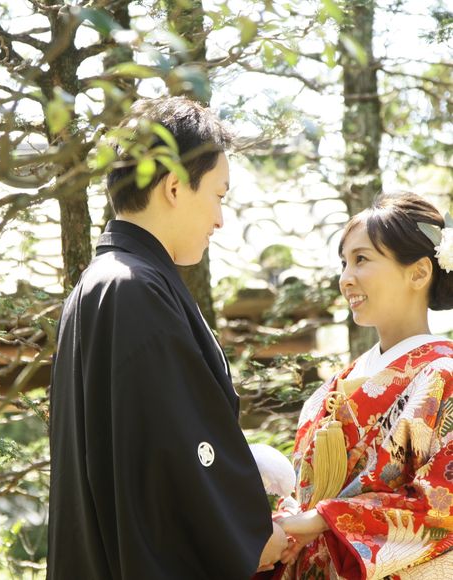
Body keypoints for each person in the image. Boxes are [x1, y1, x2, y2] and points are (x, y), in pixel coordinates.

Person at [47, 96, 287, 580]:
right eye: (218, 196)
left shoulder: (108, 282)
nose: (220, 219)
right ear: (175, 187)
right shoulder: (133, 289)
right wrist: (251, 534)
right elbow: (175, 453)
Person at [260, 192, 453, 579]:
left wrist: (322, 519)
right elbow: (306, 492)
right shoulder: (333, 386)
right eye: (344, 262)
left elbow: (442, 506)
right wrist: (287, 524)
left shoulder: (442, 375)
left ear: (419, 273)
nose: (345, 278)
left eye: (361, 259)